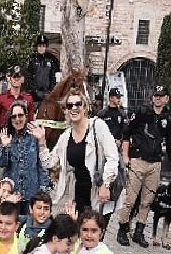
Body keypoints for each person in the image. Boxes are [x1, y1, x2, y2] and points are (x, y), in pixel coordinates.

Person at [29, 88, 119, 220]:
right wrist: (42, 141)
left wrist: (106, 184)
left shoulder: (98, 126)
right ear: (66, 110)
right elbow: (49, 162)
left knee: (93, 234)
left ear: (85, 107)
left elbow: (113, 157)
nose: (74, 108)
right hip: (76, 195)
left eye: (78, 104)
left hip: (98, 192)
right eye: (70, 105)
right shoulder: (66, 136)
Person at [117, 86, 171, 248]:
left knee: (147, 201)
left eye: (161, 96)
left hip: (155, 164)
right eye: (156, 96)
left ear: (166, 99)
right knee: (130, 200)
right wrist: (125, 155)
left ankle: (139, 232)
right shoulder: (141, 113)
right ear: (152, 98)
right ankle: (122, 230)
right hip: (138, 160)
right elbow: (126, 133)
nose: (158, 99)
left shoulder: (167, 118)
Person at [0, 100, 50, 214]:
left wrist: (44, 189)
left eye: (20, 115)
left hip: (32, 193)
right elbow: (1, 163)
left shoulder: (34, 136)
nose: (17, 119)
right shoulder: (7, 136)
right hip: (12, 194)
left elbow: (42, 165)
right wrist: (5, 146)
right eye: (14, 116)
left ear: (26, 116)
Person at [0, 66, 34, 171]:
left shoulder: (28, 98)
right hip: (4, 140)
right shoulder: (1, 98)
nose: (16, 80)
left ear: (22, 79)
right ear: (10, 79)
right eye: (14, 77)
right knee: (0, 177)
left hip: (22, 142)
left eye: (18, 77)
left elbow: (31, 122)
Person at [25, 34, 58, 110]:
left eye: (43, 46)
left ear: (46, 47)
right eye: (39, 46)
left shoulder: (51, 60)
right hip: (34, 96)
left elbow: (53, 77)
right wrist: (34, 91)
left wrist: (51, 91)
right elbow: (28, 77)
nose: (41, 48)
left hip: (47, 94)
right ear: (37, 47)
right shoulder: (32, 59)